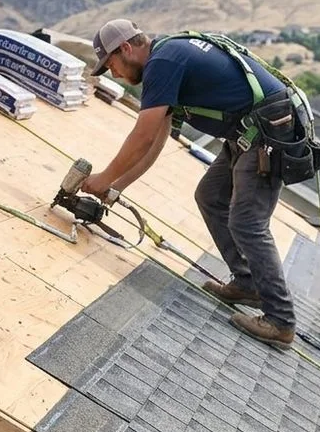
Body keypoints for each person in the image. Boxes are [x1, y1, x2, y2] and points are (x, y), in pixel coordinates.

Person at [82, 19, 297, 349]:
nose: (115, 75)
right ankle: (248, 283)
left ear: (125, 48)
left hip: (267, 134)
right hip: (249, 132)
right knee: (210, 196)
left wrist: (102, 179)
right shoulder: (168, 55)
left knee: (247, 222)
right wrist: (117, 186)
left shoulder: (163, 62)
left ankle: (281, 320)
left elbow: (143, 136)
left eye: (111, 65)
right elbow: (158, 138)